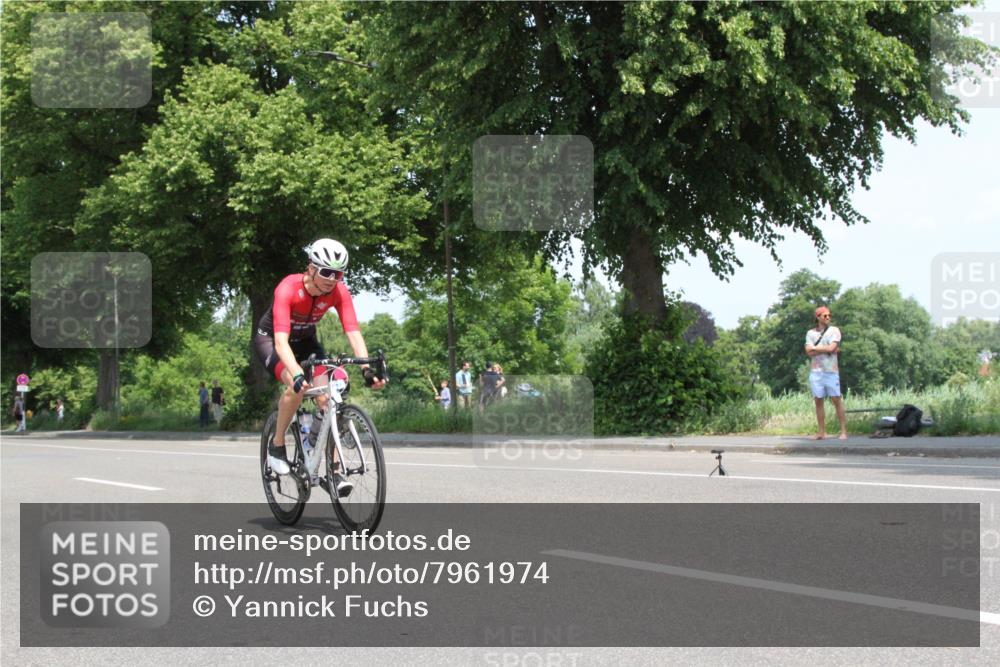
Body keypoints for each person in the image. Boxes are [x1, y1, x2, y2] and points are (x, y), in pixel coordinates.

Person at [253, 238, 385, 496]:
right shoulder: (288, 288)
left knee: (328, 399)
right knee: (296, 386)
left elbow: (353, 331)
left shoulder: (338, 292)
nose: (332, 279)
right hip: (272, 341)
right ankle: (277, 445)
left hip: (306, 343)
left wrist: (366, 370)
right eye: (326, 272)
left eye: (338, 274)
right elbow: (280, 342)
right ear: (311, 267)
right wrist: (297, 373)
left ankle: (333, 472)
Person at [805, 305, 848, 440]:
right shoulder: (810, 333)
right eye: (825, 315)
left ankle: (843, 431)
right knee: (818, 401)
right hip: (816, 371)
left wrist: (815, 348)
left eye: (829, 315)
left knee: (836, 400)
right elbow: (809, 352)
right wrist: (827, 349)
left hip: (831, 371)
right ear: (818, 317)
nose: (828, 317)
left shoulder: (834, 330)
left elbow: (832, 348)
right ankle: (821, 432)